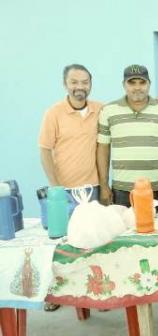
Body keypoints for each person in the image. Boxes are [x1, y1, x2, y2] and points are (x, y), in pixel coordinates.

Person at [38, 64, 102, 312]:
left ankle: (95, 293)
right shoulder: (53, 113)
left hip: (93, 188)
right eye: (74, 82)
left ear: (90, 84)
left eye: (84, 82)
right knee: (60, 245)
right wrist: (56, 187)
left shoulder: (99, 109)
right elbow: (44, 150)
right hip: (63, 191)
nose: (80, 87)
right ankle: (55, 295)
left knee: (91, 242)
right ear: (65, 84)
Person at [97, 65, 158, 209]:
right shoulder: (108, 111)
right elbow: (102, 149)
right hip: (122, 189)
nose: (137, 87)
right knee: (125, 231)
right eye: (132, 82)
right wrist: (104, 185)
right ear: (124, 85)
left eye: (142, 82)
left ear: (149, 84)